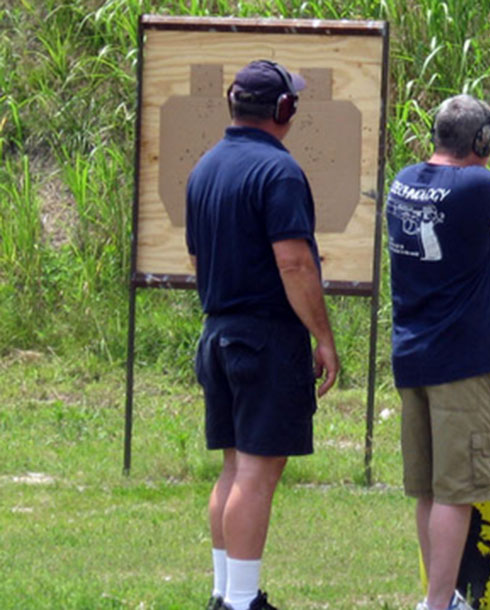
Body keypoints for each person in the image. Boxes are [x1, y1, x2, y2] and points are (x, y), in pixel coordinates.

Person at [185, 59, 339, 610]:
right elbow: (295, 264)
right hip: (265, 338)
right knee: (256, 472)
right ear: (282, 110)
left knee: (233, 466)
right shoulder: (279, 172)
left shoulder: (204, 169)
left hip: (218, 333)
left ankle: (225, 593)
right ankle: (243, 602)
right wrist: (322, 335)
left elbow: (201, 258)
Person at [386, 94, 490, 610]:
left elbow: (474, 193)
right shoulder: (476, 188)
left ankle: (443, 596)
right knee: (457, 493)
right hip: (464, 364)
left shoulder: (406, 180)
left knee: (430, 489)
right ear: (483, 141)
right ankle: (436, 605)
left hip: (416, 356)